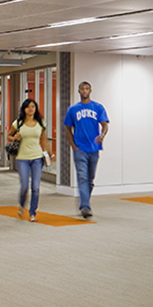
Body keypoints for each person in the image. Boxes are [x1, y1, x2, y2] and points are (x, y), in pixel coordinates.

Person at [63, 81, 109, 218]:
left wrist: (102, 135)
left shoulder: (98, 107)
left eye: (87, 88)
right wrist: (74, 145)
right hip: (80, 148)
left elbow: (105, 124)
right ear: (78, 91)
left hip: (94, 148)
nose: (84, 91)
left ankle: (85, 201)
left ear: (90, 91)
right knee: (82, 178)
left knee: (90, 179)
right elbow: (67, 128)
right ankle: (85, 207)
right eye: (82, 88)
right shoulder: (73, 109)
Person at [7, 98, 52, 222]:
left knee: (36, 187)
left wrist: (49, 153)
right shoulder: (18, 123)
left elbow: (44, 139)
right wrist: (13, 137)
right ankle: (22, 205)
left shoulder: (40, 123)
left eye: (33, 106)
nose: (31, 109)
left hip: (37, 157)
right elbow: (9, 135)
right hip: (22, 158)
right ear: (24, 109)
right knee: (24, 186)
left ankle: (32, 213)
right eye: (28, 107)